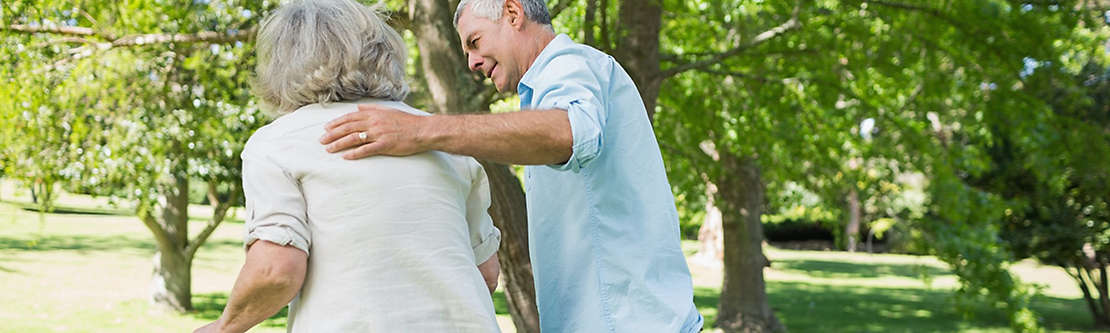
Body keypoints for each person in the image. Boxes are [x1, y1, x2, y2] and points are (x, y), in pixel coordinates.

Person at [318, 0, 703, 331]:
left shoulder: (572, 65)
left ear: (513, 13)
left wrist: (422, 130)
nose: (471, 62)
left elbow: (569, 132)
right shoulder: (547, 91)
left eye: (475, 42)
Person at [195, 0, 502, 332]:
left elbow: (276, 271)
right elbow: (486, 274)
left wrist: (222, 328)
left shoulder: (278, 143)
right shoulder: (443, 141)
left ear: (282, 64)